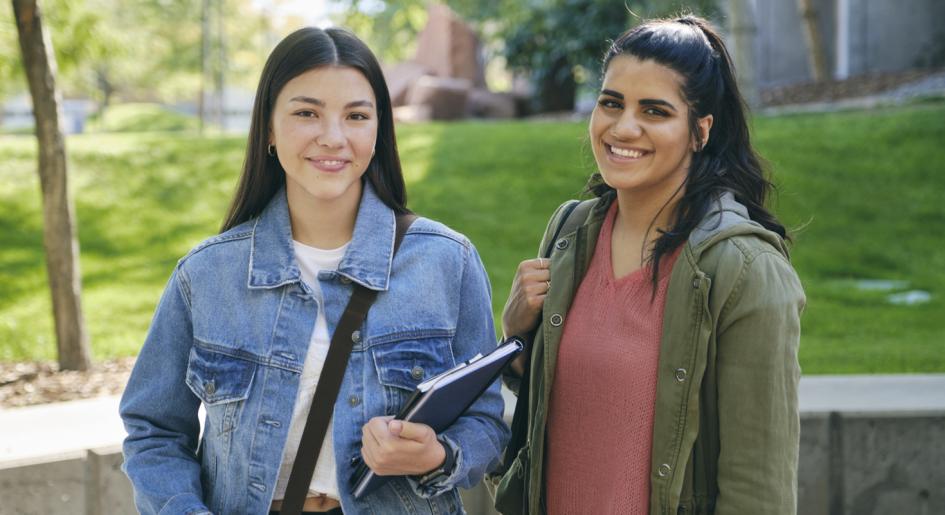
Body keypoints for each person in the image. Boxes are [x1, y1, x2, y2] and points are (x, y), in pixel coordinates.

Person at [119, 27, 508, 515]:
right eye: (306, 113)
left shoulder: (447, 262)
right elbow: (154, 430)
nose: (333, 137)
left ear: (378, 129)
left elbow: (487, 423)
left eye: (356, 116)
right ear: (268, 128)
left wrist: (437, 455)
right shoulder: (206, 275)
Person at [494, 15, 805, 515]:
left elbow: (759, 486)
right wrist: (516, 339)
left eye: (654, 111)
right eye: (611, 103)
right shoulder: (570, 233)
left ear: (700, 130)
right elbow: (557, 407)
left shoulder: (744, 270)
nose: (624, 127)